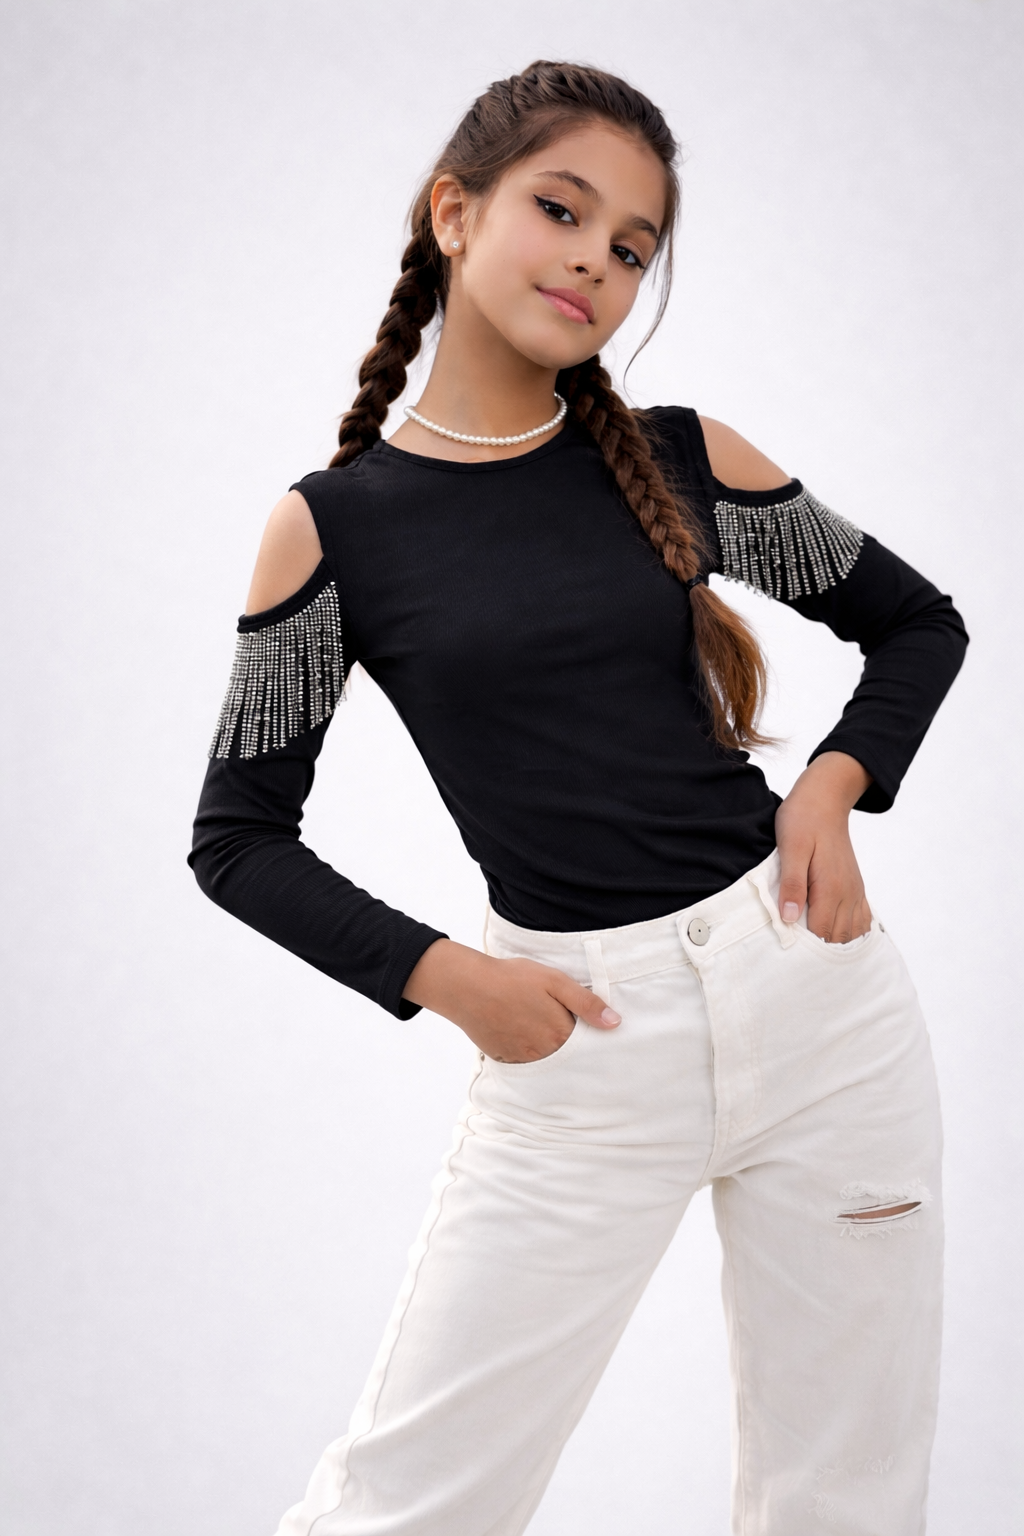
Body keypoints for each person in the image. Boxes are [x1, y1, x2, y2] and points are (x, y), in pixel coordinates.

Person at [190, 61, 967, 1536]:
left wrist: (831, 789)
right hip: (577, 1045)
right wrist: (449, 978)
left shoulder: (682, 461)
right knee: (409, 1501)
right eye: (561, 210)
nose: (595, 262)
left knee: (847, 1501)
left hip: (821, 1008)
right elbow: (236, 841)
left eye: (630, 246)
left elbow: (917, 623)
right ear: (454, 210)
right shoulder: (333, 532)